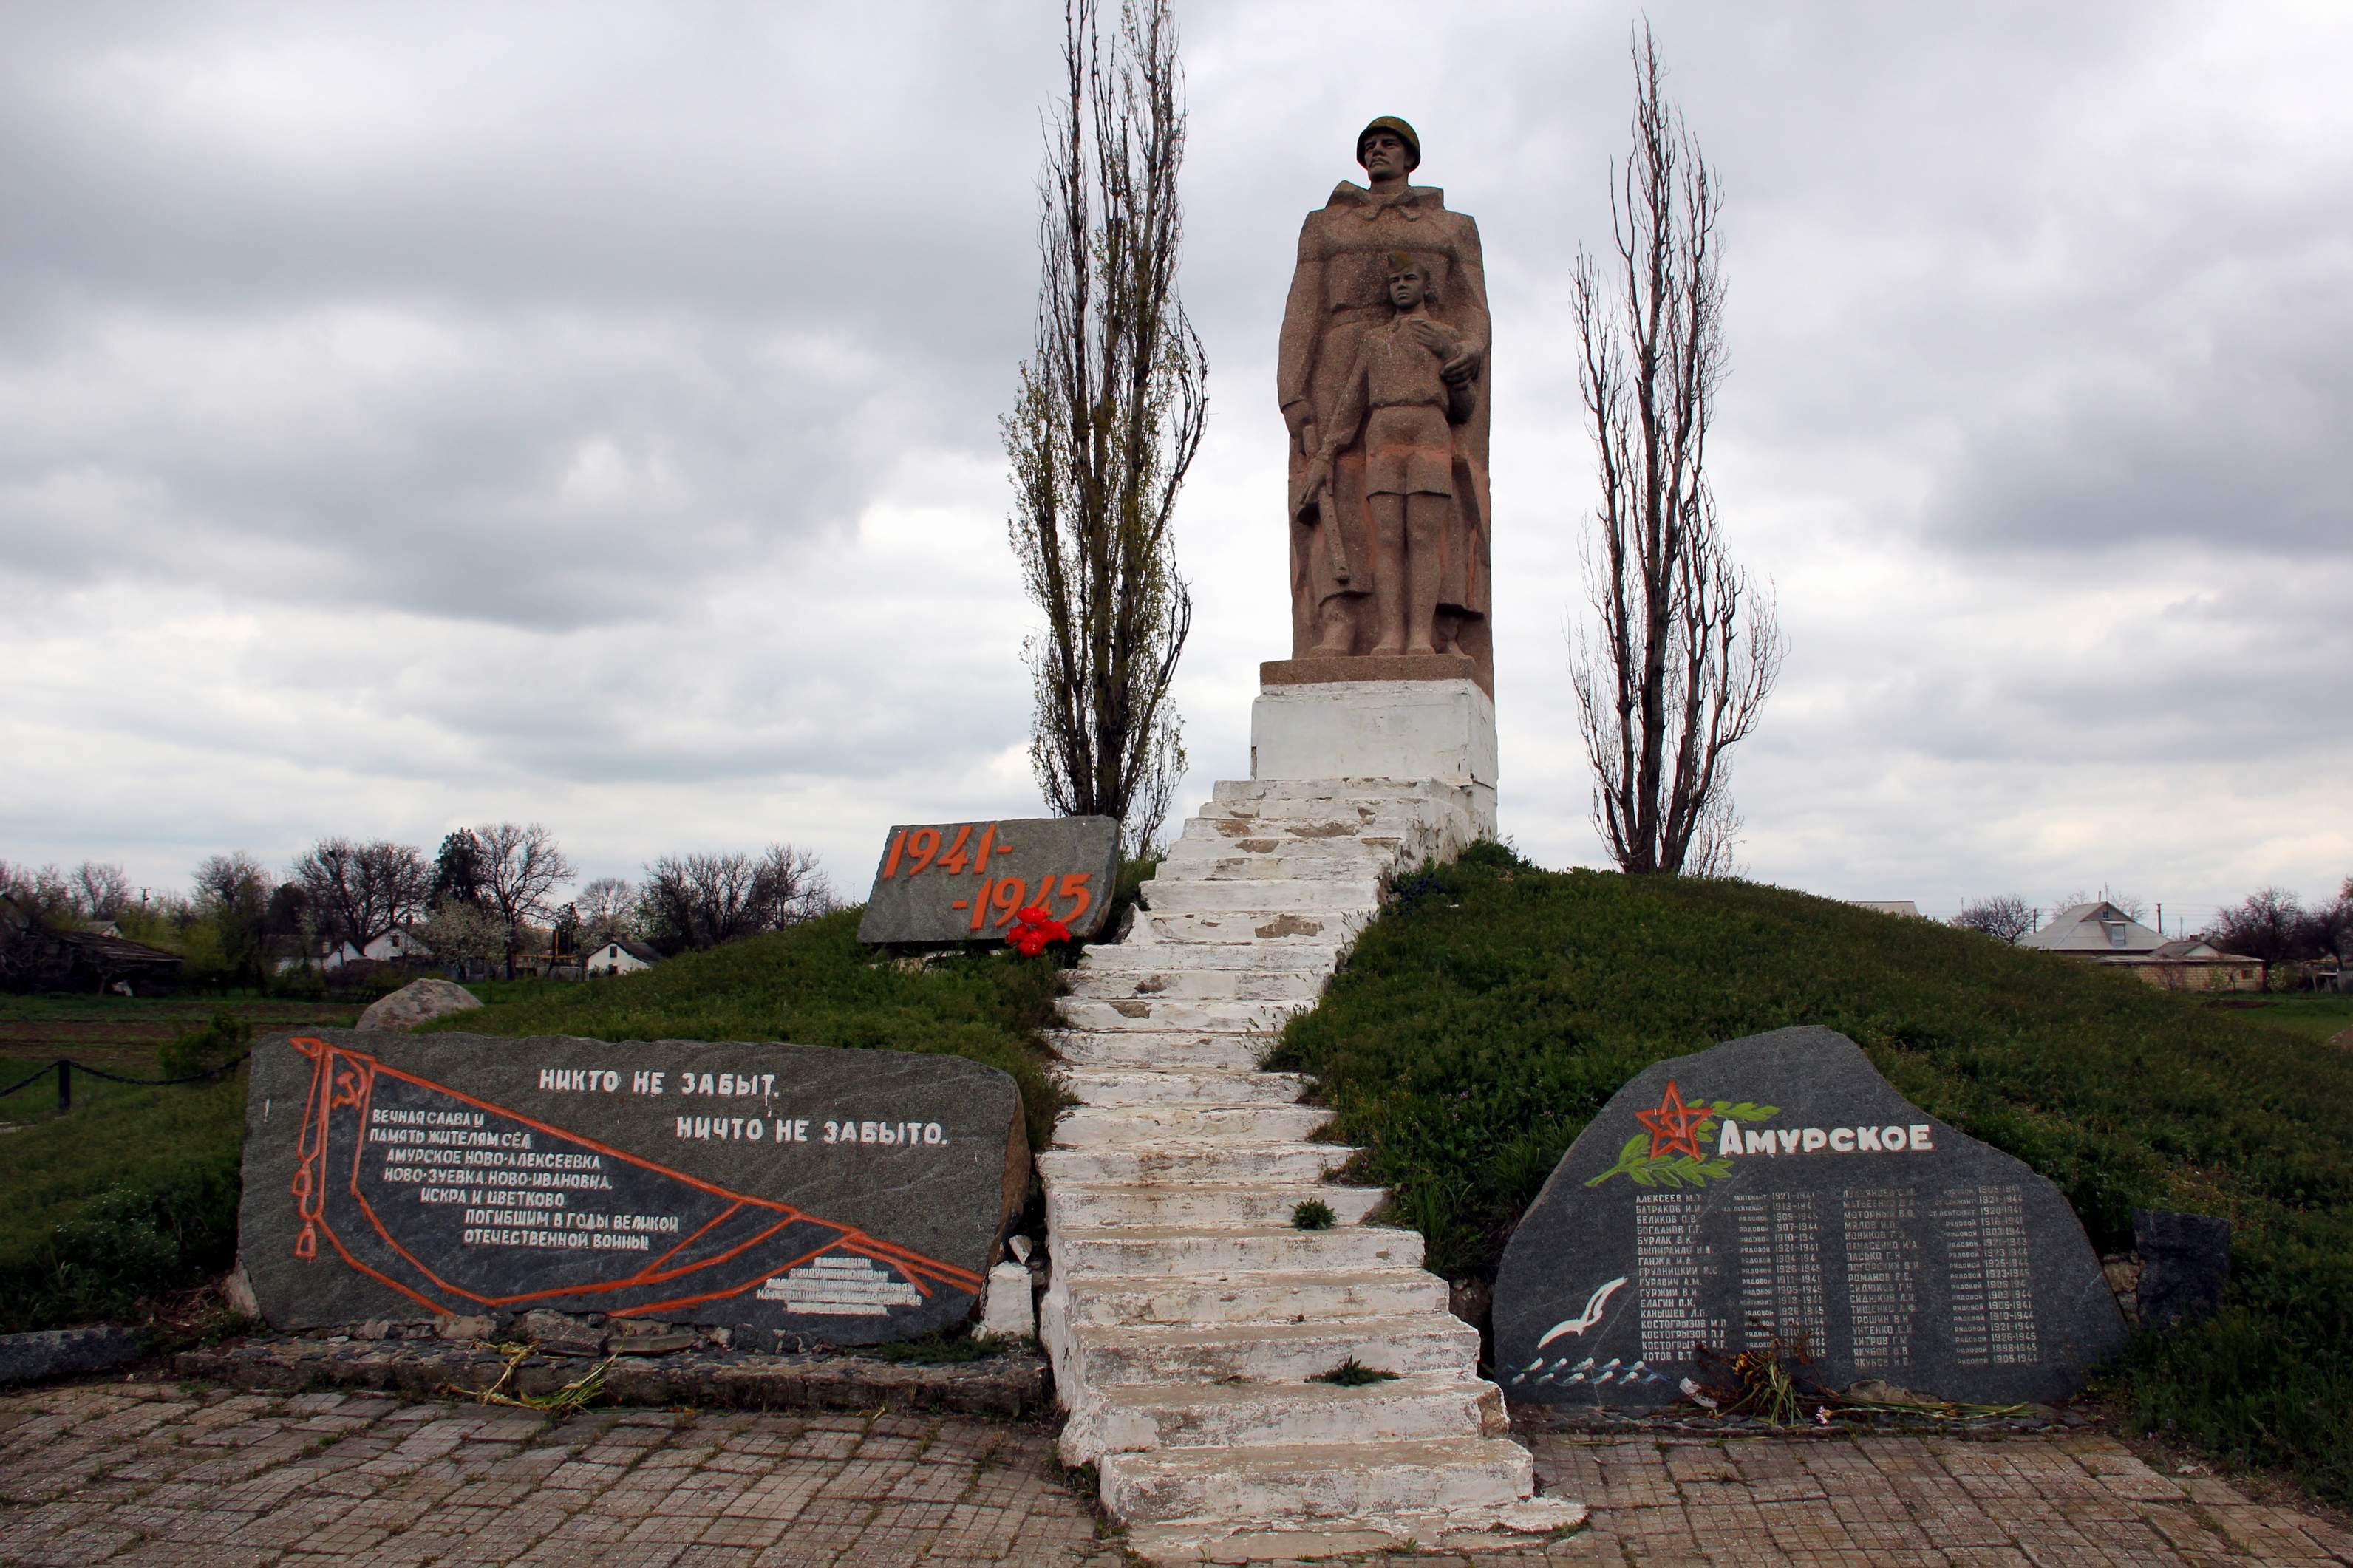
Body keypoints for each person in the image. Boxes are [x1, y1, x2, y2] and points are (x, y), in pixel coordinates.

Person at [1277, 115, 1492, 680]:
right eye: (1368, 145)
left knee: (1428, 512)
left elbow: (1472, 307)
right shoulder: (1326, 226)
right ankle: (1340, 619)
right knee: (1336, 499)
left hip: (1424, 368)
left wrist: (1468, 348)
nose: (1377, 152)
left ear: (1411, 156)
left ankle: (1437, 627)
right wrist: (1294, 397)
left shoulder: (1451, 227)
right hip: (1337, 363)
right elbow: (1302, 311)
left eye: (1389, 143)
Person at [1298, 255, 1476, 656]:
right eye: (1394, 279)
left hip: (1429, 430)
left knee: (1423, 537)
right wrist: (1327, 453)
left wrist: (1453, 358)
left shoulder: (1445, 337)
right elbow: (1351, 402)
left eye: (1410, 277)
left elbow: (1465, 409)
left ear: (1426, 286)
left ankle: (1419, 639)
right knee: (1390, 538)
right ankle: (1392, 634)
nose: (1400, 285)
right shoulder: (1375, 340)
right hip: (1383, 432)